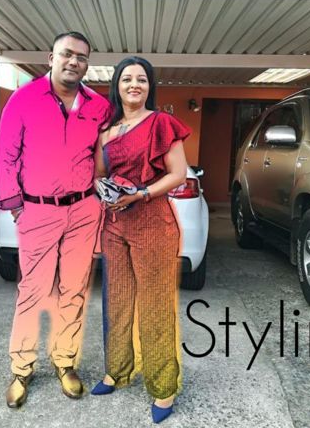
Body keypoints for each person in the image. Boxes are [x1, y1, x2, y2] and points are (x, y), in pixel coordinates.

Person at [0, 31, 111, 408]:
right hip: (38, 210)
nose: (74, 61)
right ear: (51, 57)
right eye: (67, 54)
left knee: (74, 289)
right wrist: (17, 207)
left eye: (82, 57)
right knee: (33, 290)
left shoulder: (98, 106)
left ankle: (65, 363)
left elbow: (105, 156)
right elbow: (6, 156)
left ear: (87, 64)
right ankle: (22, 369)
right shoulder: (23, 99)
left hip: (83, 211)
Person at [91, 57, 190, 424]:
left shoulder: (161, 123)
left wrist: (141, 193)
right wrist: (105, 189)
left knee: (155, 306)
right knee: (116, 302)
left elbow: (178, 174)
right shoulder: (107, 130)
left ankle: (163, 388)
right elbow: (99, 173)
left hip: (152, 223)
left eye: (142, 79)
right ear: (116, 85)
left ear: (150, 87)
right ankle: (116, 372)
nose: (135, 85)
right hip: (114, 223)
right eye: (127, 79)